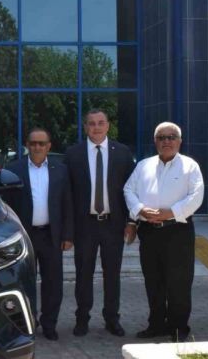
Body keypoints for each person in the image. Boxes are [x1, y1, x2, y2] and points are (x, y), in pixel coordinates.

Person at [123, 122, 204, 342]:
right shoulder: (143, 165)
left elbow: (196, 197)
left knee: (179, 283)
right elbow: (128, 189)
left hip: (178, 231)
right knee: (153, 281)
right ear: (155, 141)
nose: (166, 141)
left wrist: (171, 212)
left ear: (179, 141)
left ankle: (178, 328)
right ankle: (156, 325)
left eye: (171, 137)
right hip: (149, 232)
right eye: (161, 137)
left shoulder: (190, 166)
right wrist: (139, 210)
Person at [64, 109, 136, 337]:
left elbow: (131, 190)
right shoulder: (73, 154)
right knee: (83, 274)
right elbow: (67, 195)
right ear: (85, 127)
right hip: (85, 225)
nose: (96, 127)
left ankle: (112, 319)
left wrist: (131, 221)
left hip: (113, 224)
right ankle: (82, 318)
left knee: (112, 275)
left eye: (100, 123)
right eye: (92, 123)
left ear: (108, 126)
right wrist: (68, 231)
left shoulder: (122, 153)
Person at [3, 127, 74, 341]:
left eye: (41, 143)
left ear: (48, 146)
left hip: (51, 235)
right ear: (27, 145)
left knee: (53, 283)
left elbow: (67, 203)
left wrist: (68, 235)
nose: (37, 147)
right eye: (33, 143)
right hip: (24, 236)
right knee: (25, 282)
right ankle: (28, 322)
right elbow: (6, 205)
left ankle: (49, 324)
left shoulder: (60, 170)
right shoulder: (13, 170)